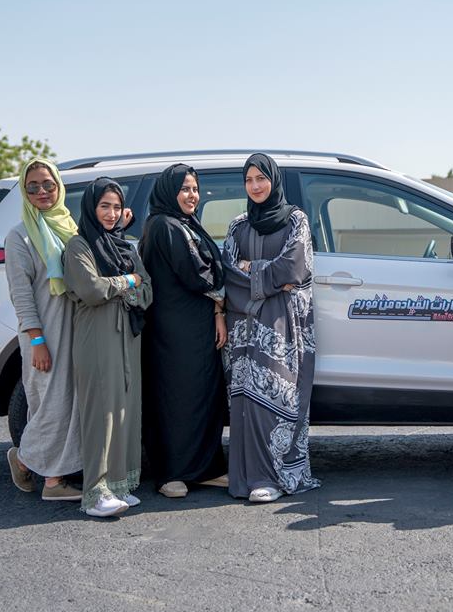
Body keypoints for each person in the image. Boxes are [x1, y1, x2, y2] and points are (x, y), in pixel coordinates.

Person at [222, 153, 320, 503]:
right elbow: (229, 271)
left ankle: (274, 477)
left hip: (283, 325)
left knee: (278, 396)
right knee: (246, 403)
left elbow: (294, 267)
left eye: (261, 178)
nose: (255, 186)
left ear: (273, 180)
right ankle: (247, 478)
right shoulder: (237, 225)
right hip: (245, 325)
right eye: (249, 180)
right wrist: (269, 276)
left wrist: (254, 269)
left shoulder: (296, 219)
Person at [63, 177, 152, 517]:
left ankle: (120, 485)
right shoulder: (78, 246)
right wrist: (127, 281)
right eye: (105, 206)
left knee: (126, 409)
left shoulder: (126, 246)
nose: (112, 213)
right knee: (101, 410)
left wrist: (122, 286)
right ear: (91, 207)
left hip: (128, 336)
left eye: (116, 207)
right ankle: (95, 493)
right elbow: (91, 290)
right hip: (97, 336)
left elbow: (148, 292)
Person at [140, 164, 229, 498]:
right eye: (185, 189)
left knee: (203, 396)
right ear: (169, 192)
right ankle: (170, 473)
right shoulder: (163, 225)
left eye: (194, 189)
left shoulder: (185, 223)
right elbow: (197, 273)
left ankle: (204, 468)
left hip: (197, 328)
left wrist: (218, 308)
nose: (192, 195)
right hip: (172, 332)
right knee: (175, 399)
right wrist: (226, 283)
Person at [4, 158, 83, 502]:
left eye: (48, 185)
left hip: (74, 329)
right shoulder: (19, 236)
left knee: (70, 403)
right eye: (32, 186)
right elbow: (20, 295)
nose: (41, 192)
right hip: (43, 333)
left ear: (59, 187)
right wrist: (36, 339)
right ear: (24, 190)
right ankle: (42, 474)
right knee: (51, 403)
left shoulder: (69, 227)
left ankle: (52, 471)